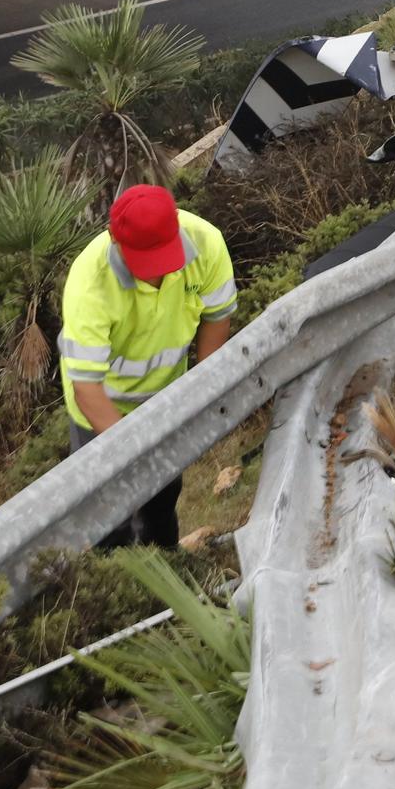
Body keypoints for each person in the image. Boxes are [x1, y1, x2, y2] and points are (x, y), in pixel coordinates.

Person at [58, 184, 238, 546]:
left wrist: (202, 391)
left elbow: (218, 317)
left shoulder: (206, 243)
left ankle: (164, 562)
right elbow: (87, 388)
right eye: (145, 262)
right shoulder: (89, 283)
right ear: (115, 240)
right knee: (108, 511)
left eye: (163, 259)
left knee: (163, 494)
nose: (155, 273)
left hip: (166, 400)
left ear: (176, 228)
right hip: (102, 406)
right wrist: (131, 450)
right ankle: (118, 581)